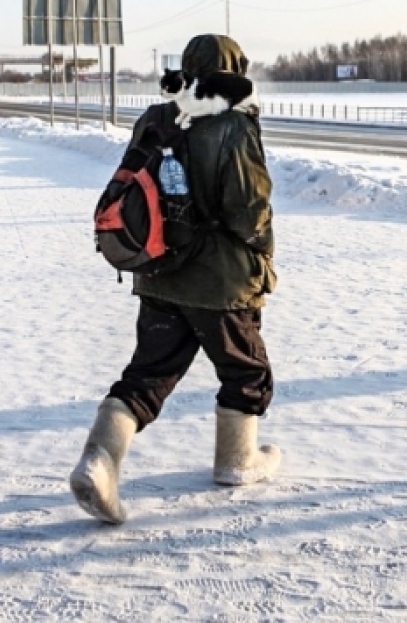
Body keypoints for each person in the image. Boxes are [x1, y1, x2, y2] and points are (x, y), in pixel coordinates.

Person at [70, 33, 280, 524]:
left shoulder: (157, 116)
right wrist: (262, 254)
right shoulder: (234, 122)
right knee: (246, 373)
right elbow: (249, 211)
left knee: (147, 375)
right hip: (220, 281)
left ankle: (98, 462)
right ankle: (237, 462)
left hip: (159, 271)